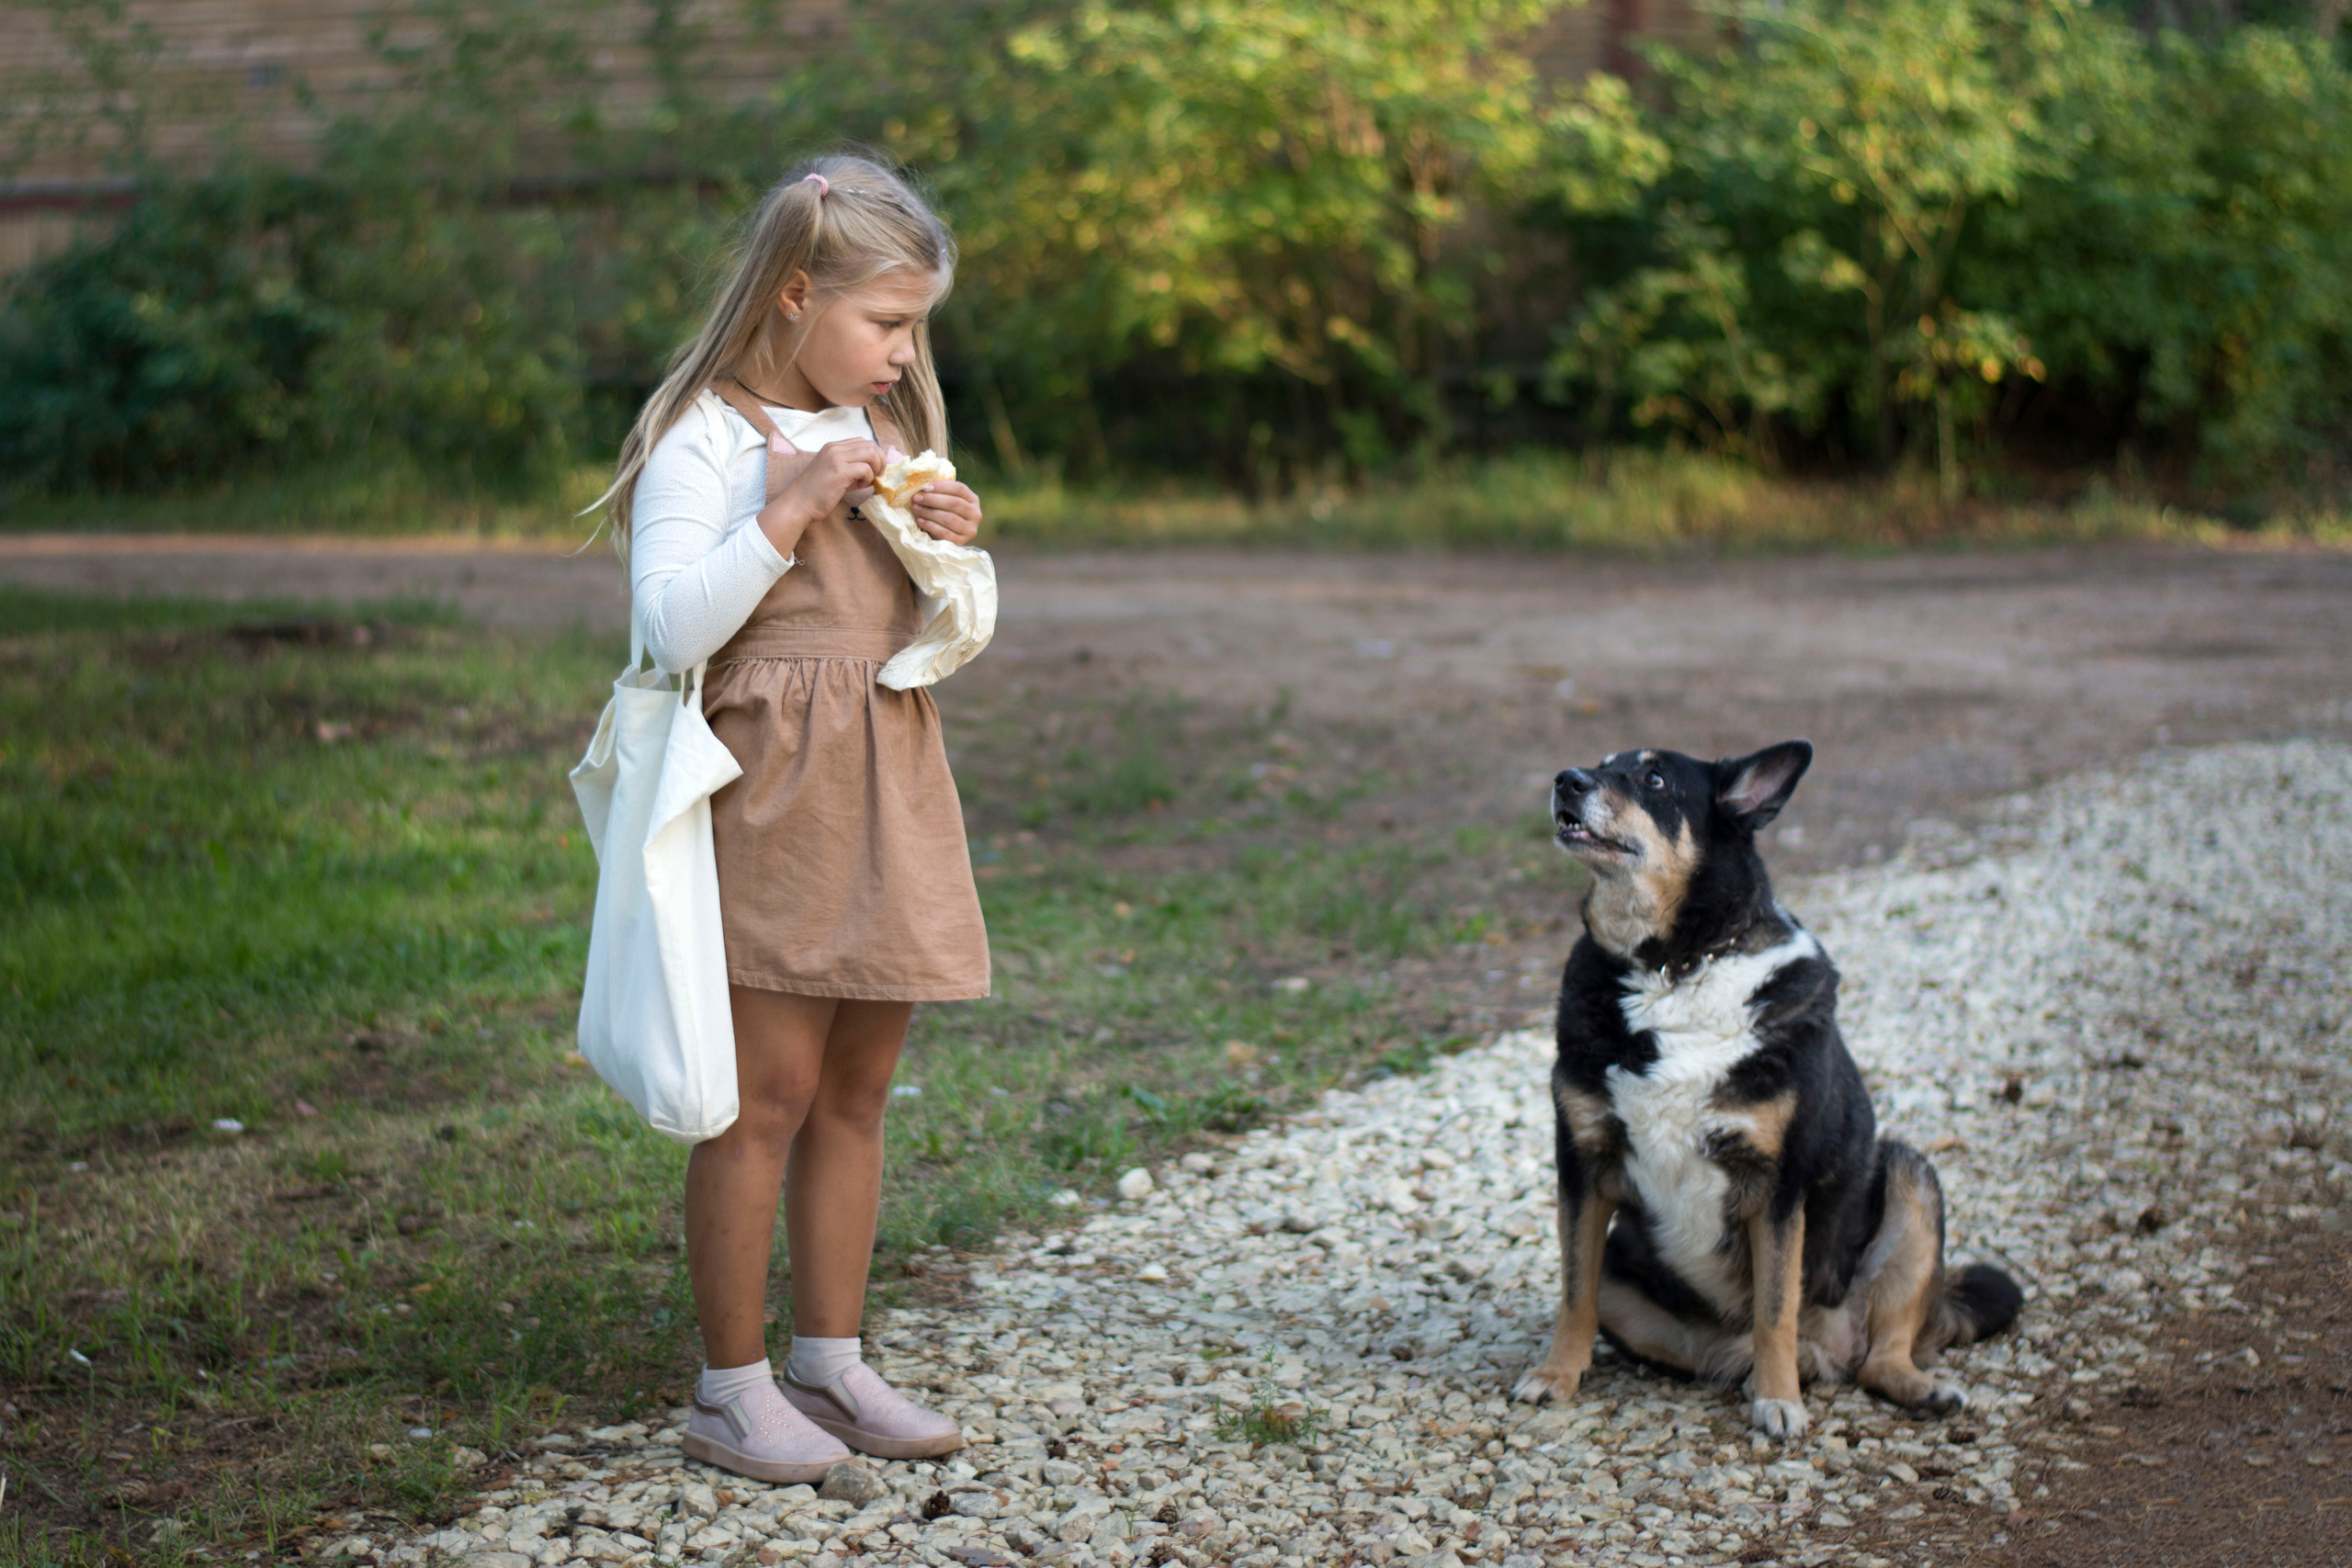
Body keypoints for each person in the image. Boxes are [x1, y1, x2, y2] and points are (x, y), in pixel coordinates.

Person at [597, 152, 990, 1483]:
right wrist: (788, 512)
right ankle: (731, 1388)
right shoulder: (705, 439)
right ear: (794, 294)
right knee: (763, 1096)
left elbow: (916, 626)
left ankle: (829, 1360)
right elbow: (666, 632)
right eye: (888, 323)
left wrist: (943, 543)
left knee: (858, 1091)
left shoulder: (874, 430)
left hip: (887, 779)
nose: (904, 354)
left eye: (916, 327)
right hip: (771, 792)